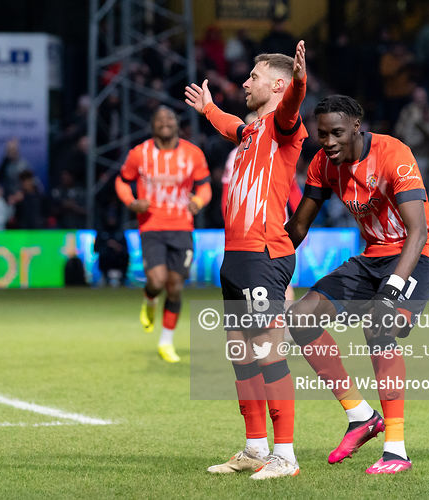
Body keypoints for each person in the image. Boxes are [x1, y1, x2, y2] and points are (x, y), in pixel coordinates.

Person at [284, 95, 429, 475]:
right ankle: (360, 416)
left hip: (420, 252)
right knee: (302, 318)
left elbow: (418, 229)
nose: (328, 142)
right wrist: (267, 257)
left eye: (336, 133)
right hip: (372, 255)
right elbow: (298, 228)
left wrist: (390, 291)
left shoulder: (393, 153)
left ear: (357, 125)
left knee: (380, 325)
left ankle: (396, 450)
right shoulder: (323, 164)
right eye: (321, 135)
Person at [185, 40, 307, 479]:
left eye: (253, 77)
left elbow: (292, 104)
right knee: (240, 351)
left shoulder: (284, 126)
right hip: (235, 256)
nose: (245, 82)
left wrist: (300, 79)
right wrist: (209, 110)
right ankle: (256, 447)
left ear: (276, 84)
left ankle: (286, 455)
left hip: (263, 254)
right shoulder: (252, 132)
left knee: (268, 350)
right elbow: (232, 126)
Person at [115, 106, 211, 363]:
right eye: (159, 119)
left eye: (169, 118)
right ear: (152, 125)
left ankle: (166, 342)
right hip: (152, 225)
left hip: (182, 227)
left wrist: (198, 203)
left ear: (177, 124)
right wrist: (132, 202)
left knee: (176, 286)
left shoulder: (193, 154)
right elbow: (122, 180)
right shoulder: (139, 153)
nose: (165, 122)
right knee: (157, 281)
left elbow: (205, 187)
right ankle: (149, 299)